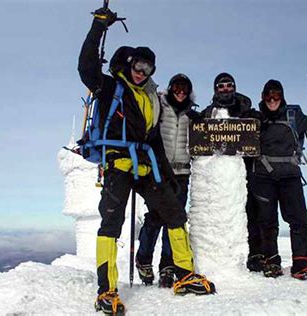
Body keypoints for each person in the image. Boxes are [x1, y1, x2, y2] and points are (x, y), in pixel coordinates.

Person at [78, 8, 215, 315]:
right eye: (139, 66)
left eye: (149, 68)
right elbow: (86, 66)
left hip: (145, 164)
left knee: (174, 213)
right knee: (111, 224)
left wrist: (165, 175)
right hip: (118, 164)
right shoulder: (110, 87)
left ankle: (185, 273)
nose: (143, 72)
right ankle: (107, 290)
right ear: (129, 65)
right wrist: (98, 27)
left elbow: (154, 139)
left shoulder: (151, 97)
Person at [246, 79, 307, 280]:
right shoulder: (256, 119)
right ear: (262, 97)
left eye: (276, 95)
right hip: (263, 177)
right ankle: (271, 262)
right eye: (268, 96)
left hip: (289, 176)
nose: (272, 100)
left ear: (282, 96)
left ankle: (301, 262)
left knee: (299, 218)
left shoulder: (294, 115)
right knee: (266, 221)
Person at [136, 74, 200, 288]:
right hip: (158, 172)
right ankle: (144, 259)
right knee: (155, 218)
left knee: (175, 221)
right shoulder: (159, 108)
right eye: (177, 87)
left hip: (182, 174)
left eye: (185, 88)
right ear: (170, 89)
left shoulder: (192, 115)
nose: (180, 92)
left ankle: (167, 265)